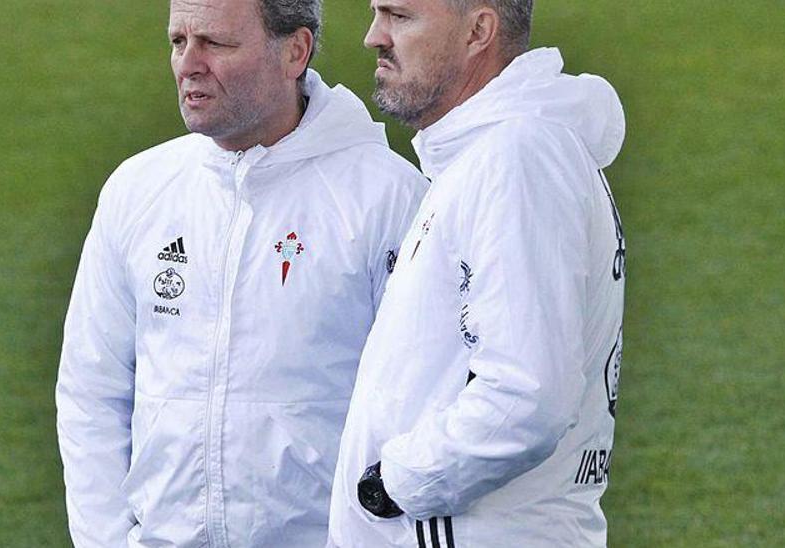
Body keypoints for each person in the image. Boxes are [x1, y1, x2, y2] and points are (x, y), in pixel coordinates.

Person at [55, 0, 427, 545]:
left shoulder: (389, 200)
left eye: (216, 43)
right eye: (178, 41)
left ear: (294, 52)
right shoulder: (137, 190)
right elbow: (92, 388)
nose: (188, 63)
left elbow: (419, 407)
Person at [327, 0, 626, 546]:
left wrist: (392, 484)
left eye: (399, 16)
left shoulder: (517, 158)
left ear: (478, 31)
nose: (374, 36)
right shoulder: (490, 154)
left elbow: (525, 397)